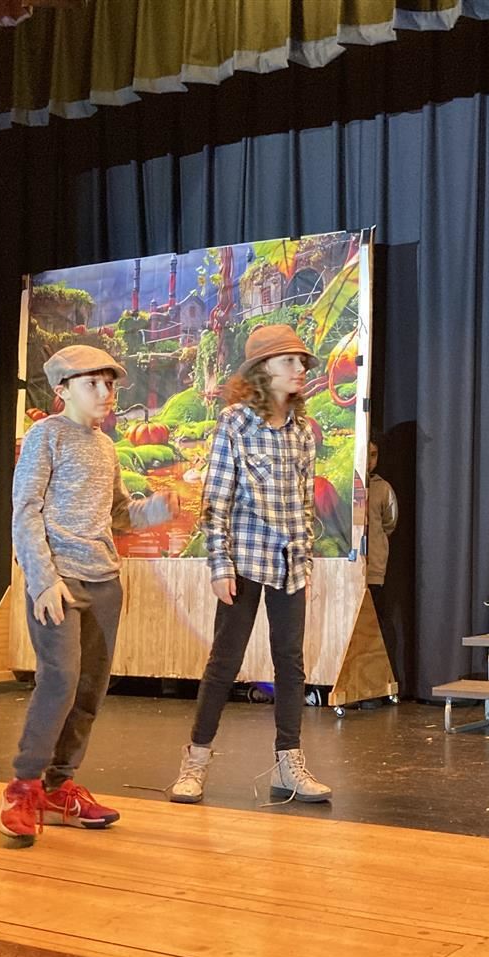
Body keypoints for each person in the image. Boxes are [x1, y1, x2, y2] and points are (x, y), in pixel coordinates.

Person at [169, 324, 332, 805]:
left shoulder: (303, 431)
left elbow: (304, 503)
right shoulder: (236, 423)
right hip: (242, 561)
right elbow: (215, 501)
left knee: (291, 663)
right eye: (289, 361)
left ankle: (289, 763)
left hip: (290, 564)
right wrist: (219, 564)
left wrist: (305, 555)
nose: (300, 369)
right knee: (224, 662)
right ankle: (195, 761)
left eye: (302, 362)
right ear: (263, 370)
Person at [0, 345, 133, 845]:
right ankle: (22, 787)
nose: (105, 392)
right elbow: (26, 511)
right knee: (60, 681)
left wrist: (153, 511)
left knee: (90, 689)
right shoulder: (45, 436)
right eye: (91, 384)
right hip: (59, 581)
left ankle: (58, 787)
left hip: (104, 581)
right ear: (62, 391)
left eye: (109, 384)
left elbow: (118, 513)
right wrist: (42, 580)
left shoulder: (107, 447)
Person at [365, 435, 399, 678]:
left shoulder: (382, 488)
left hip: (373, 570)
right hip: (346, 570)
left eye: (374, 455)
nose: (369, 461)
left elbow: (389, 523)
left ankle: (381, 679)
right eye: (366, 454)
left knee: (377, 623)